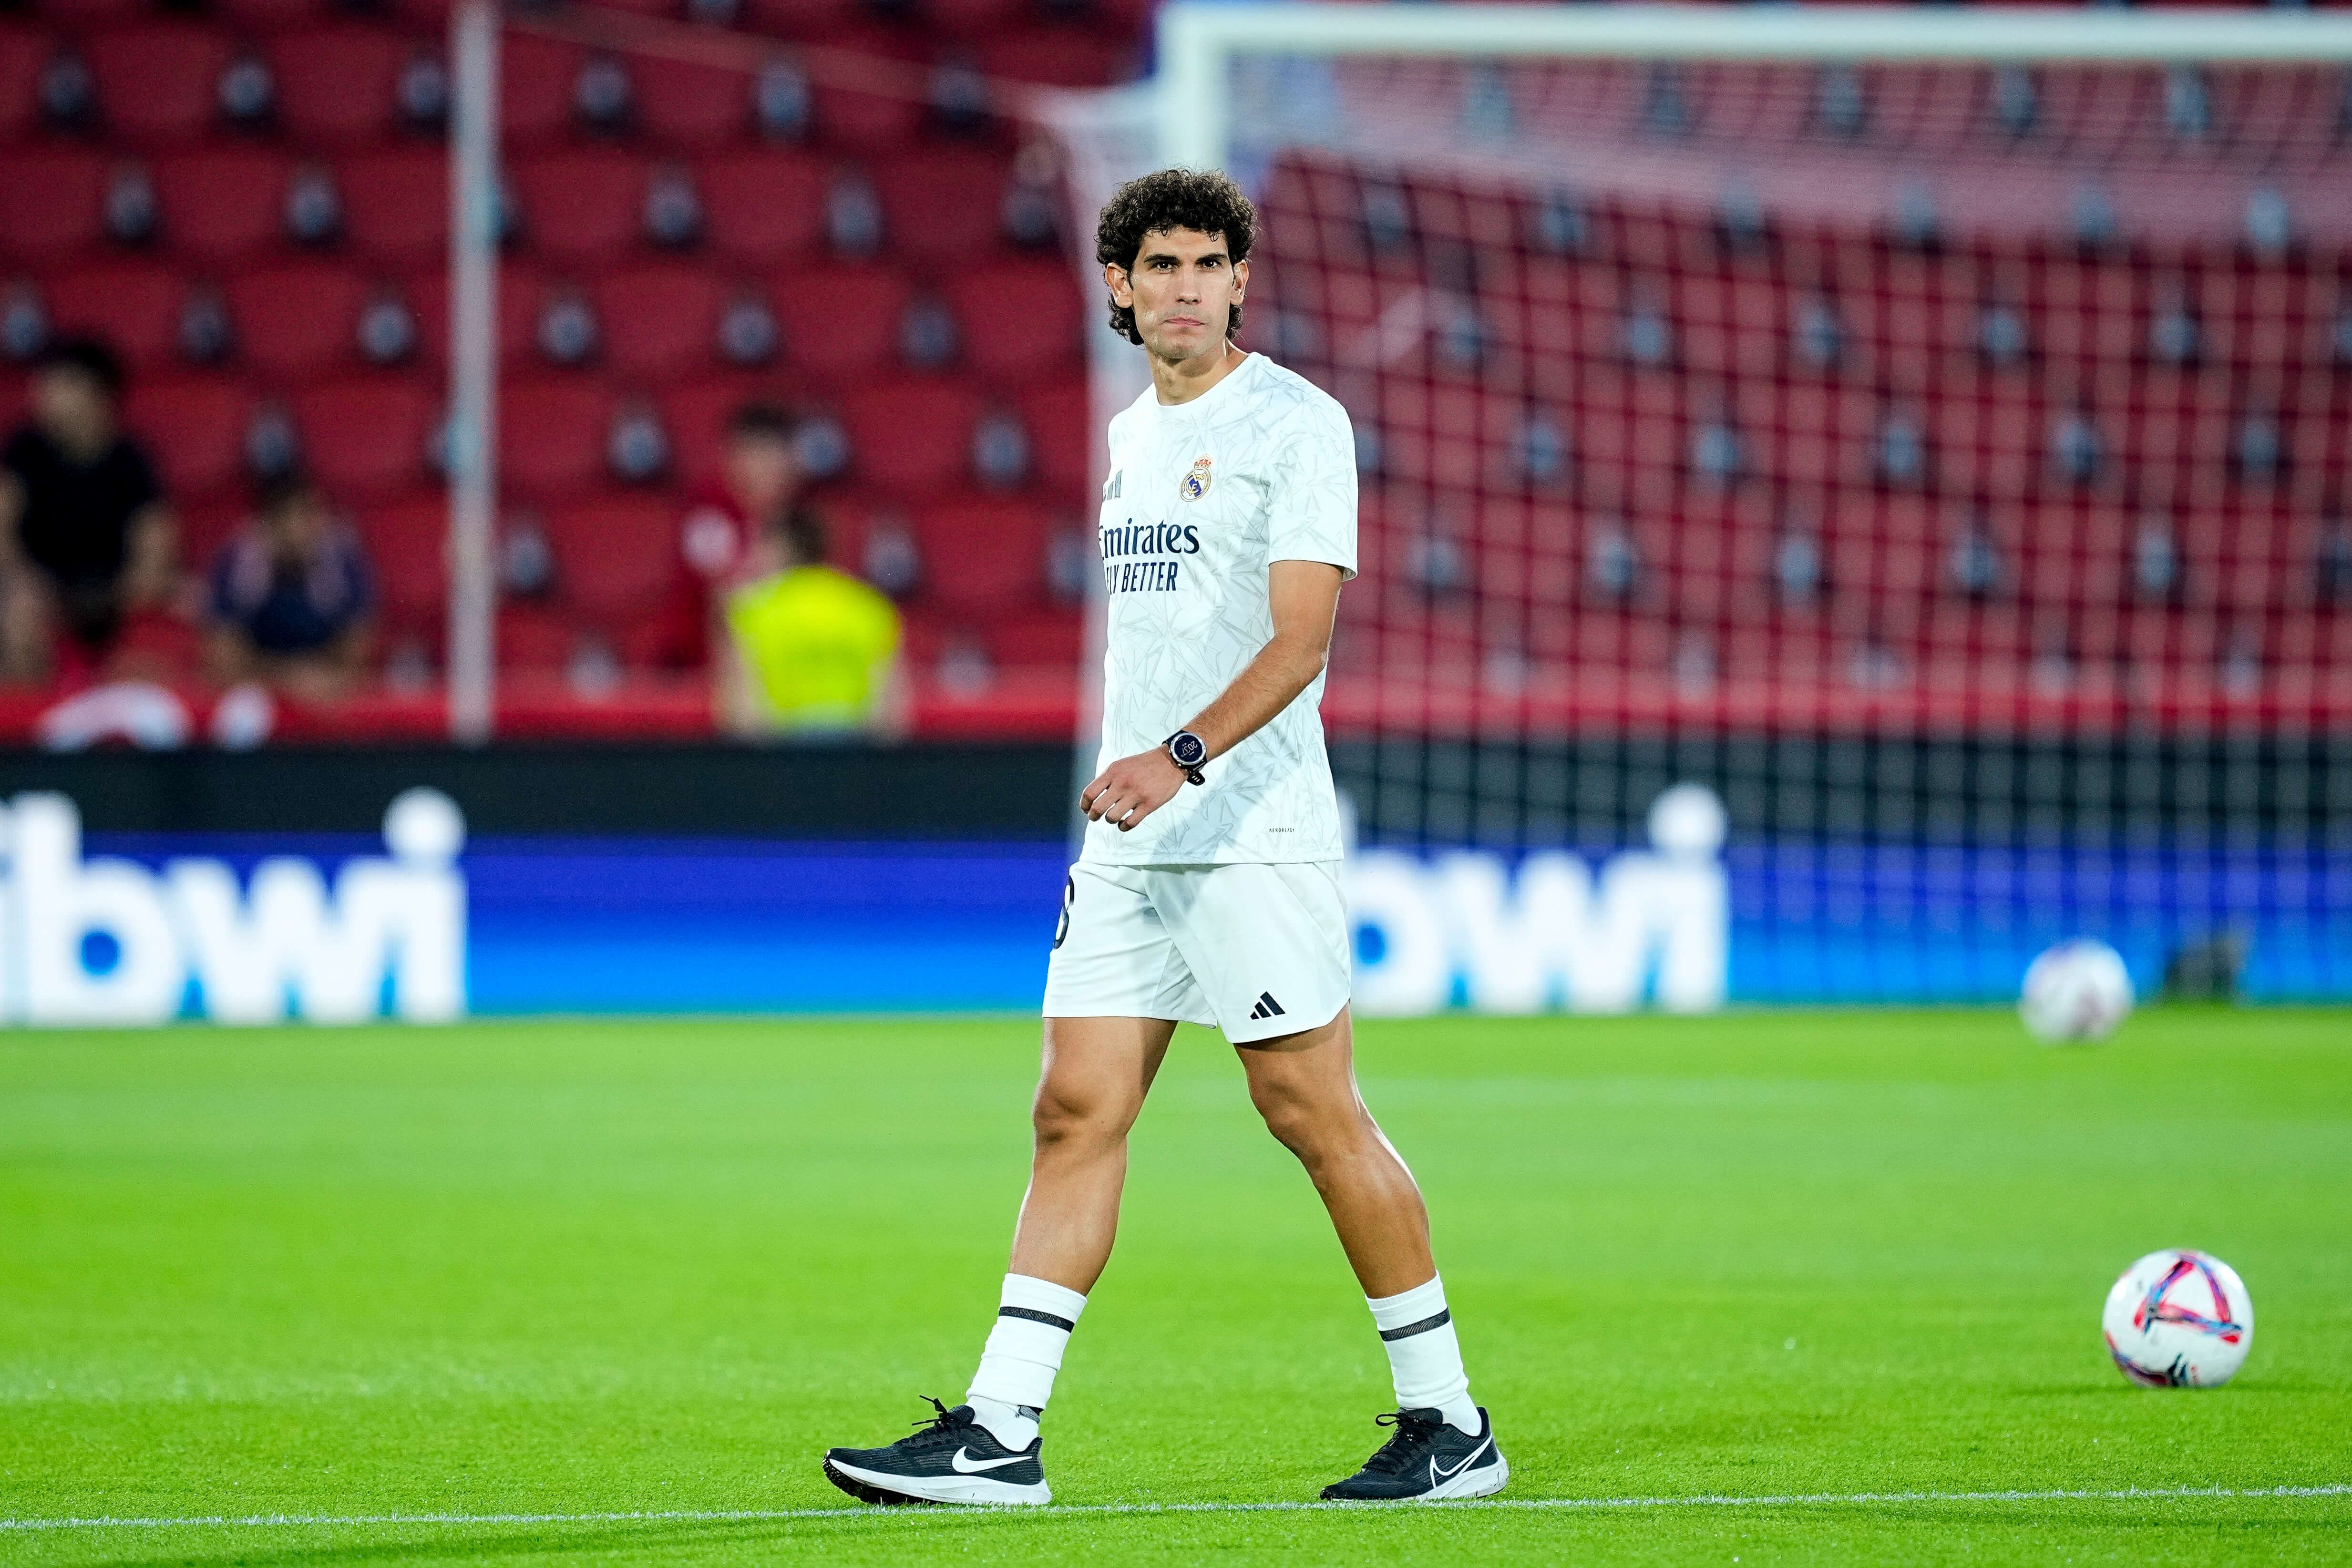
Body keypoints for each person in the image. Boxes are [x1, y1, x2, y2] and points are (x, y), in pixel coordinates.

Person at [821, 169, 1505, 1507]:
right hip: (1132, 837)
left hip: (1246, 829)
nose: (1186, 285)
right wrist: (1141, 776)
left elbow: (1300, 643)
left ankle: (1448, 1421)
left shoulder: (1295, 422)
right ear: (1118, 289)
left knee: (1309, 1111)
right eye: (1161, 266)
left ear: (1240, 281)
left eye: (1209, 263)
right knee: (1072, 1112)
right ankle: (1001, 1433)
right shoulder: (1131, 434)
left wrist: (1177, 758)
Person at [0, 337, 176, 683]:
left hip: (110, 596)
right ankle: (28, 724)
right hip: (40, 590)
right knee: (18, 610)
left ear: (96, 395)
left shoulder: (132, 461)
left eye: (59, 384)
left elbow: (155, 543)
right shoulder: (24, 452)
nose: (43, 394)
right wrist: (27, 581)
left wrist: (127, 594)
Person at [647, 401, 806, 672]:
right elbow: (726, 607)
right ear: (732, 458)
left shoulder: (801, 518)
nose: (760, 469)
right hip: (702, 670)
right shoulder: (709, 515)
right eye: (751, 456)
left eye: (771, 458)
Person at [720, 503, 902, 735]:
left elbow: (744, 713)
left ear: (781, 548)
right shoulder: (871, 606)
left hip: (782, 754)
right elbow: (890, 710)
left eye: (760, 547)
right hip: (856, 753)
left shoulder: (750, 612)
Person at [204, 473, 376, 703]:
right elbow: (223, 660)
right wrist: (288, 679)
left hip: (324, 687)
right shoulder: (239, 560)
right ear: (266, 525)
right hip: (257, 691)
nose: (297, 531)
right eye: (285, 519)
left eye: (307, 517)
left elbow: (357, 656)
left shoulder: (341, 558)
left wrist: (320, 680)